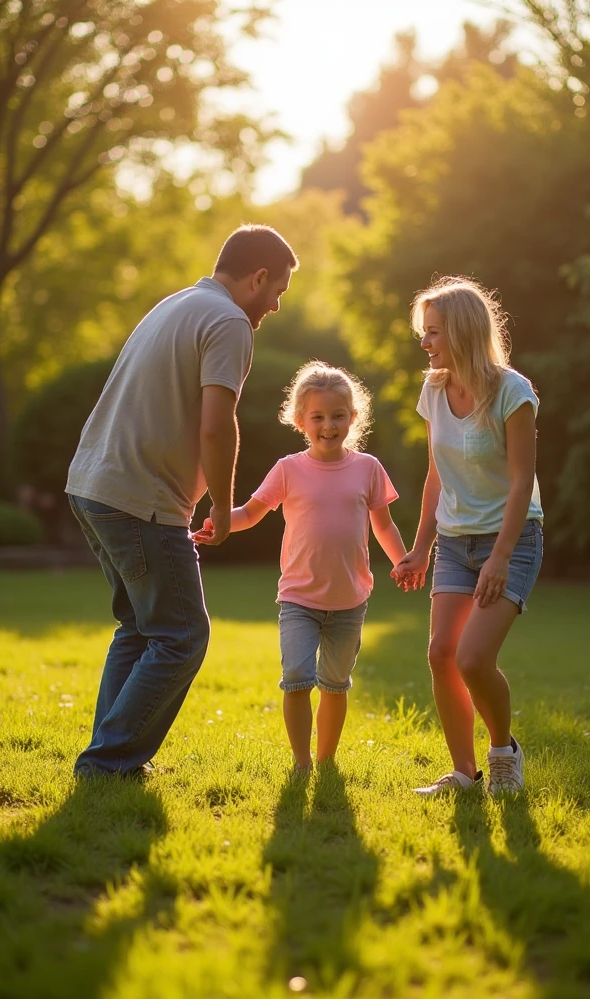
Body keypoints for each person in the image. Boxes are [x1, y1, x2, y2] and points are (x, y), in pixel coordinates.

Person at [66, 224, 298, 778]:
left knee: (142, 629)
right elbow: (218, 427)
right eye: (278, 291)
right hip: (140, 501)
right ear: (257, 277)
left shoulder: (177, 304)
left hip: (93, 487)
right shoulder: (229, 321)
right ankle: (108, 761)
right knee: (182, 636)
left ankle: (109, 755)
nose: (276, 305)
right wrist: (222, 505)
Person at [194, 361, 409, 770]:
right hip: (298, 598)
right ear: (300, 421)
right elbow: (252, 512)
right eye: (318, 417)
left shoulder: (368, 469)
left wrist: (403, 561)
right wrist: (221, 522)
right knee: (296, 678)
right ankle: (301, 761)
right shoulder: (289, 469)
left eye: (338, 416)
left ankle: (326, 760)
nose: (329, 425)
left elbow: (384, 525)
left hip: (350, 600)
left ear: (353, 417)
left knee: (334, 685)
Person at [392, 277, 543, 795]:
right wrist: (419, 548)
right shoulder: (433, 391)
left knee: (473, 658)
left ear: (461, 331)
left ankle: (503, 750)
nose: (425, 343)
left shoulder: (512, 391)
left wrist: (501, 557)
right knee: (440, 654)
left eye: (433, 332)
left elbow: (522, 480)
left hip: (512, 539)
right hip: (456, 542)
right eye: (424, 333)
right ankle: (463, 773)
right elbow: (438, 474)